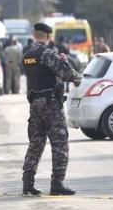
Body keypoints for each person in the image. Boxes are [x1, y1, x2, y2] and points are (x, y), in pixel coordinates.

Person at [21, 23, 82, 196]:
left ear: (34, 35)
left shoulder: (27, 55)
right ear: (48, 37)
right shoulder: (47, 54)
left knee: (36, 143)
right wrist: (76, 75)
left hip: (35, 104)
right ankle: (57, 184)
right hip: (51, 103)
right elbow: (67, 74)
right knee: (60, 142)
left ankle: (28, 183)